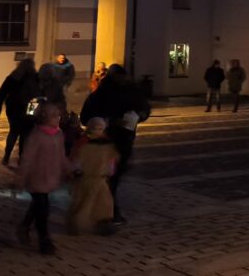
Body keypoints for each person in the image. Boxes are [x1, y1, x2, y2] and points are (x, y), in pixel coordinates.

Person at [80, 64, 150, 225]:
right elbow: (86, 117)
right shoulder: (102, 94)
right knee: (107, 179)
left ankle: (106, 212)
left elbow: (144, 107)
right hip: (105, 144)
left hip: (123, 142)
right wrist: (110, 121)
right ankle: (106, 213)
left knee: (111, 179)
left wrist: (140, 115)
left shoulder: (131, 92)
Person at [16, 103, 70, 255]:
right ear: (44, 117)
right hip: (36, 177)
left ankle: (24, 227)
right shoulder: (36, 135)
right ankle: (44, 239)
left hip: (50, 176)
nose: (58, 118)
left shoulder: (58, 134)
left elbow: (62, 155)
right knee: (43, 208)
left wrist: (70, 169)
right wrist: (20, 178)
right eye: (54, 116)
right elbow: (27, 159)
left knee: (38, 205)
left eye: (58, 115)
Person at [67, 117, 118, 235]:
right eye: (96, 128)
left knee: (105, 202)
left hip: (100, 177)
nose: (98, 131)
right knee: (84, 202)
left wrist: (110, 169)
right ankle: (77, 224)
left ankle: (103, 224)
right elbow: (77, 157)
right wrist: (76, 170)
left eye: (101, 128)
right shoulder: (83, 141)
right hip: (86, 177)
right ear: (90, 128)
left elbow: (110, 158)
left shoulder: (105, 141)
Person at [0, 58, 40, 165]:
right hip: (31, 105)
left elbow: (2, 93)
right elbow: (41, 93)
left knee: (14, 131)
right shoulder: (36, 77)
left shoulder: (13, 77)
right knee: (26, 132)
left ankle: (7, 155)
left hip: (13, 107)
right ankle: (22, 157)